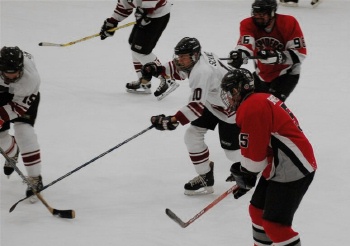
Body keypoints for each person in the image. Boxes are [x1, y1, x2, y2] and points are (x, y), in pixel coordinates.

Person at [221, 68, 317, 246]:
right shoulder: (259, 99)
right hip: (281, 162)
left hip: (293, 167)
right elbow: (262, 147)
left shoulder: (252, 108)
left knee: (275, 226)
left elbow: (255, 159)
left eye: (229, 92)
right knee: (257, 210)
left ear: (237, 90)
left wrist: (247, 173)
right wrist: (246, 174)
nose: (227, 97)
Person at [147, 37, 241, 195]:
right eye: (179, 56)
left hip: (231, 109)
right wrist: (158, 69)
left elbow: (195, 108)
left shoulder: (201, 72)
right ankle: (206, 176)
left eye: (183, 57)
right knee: (192, 135)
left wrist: (171, 120)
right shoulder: (199, 58)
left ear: (195, 55)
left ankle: (259, 164)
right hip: (212, 103)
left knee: (232, 154)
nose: (179, 60)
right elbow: (180, 70)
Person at [227, 0, 307, 101]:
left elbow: (299, 53)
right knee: (247, 102)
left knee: (269, 105)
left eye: (262, 14)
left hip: (286, 74)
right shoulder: (248, 23)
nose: (258, 17)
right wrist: (240, 54)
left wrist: (278, 57)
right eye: (255, 14)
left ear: (272, 13)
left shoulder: (288, 23)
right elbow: (247, 43)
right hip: (262, 74)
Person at [99, 0, 179, 100]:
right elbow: (125, 4)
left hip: (157, 16)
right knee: (134, 45)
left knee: (141, 51)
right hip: (146, 16)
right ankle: (144, 81)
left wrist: (146, 10)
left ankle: (166, 78)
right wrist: (112, 21)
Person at [0, 46, 43, 202]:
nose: (11, 77)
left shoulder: (31, 79)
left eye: (15, 74)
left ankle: (34, 178)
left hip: (22, 97)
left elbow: (18, 107)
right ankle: (13, 151)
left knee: (23, 131)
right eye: (7, 74)